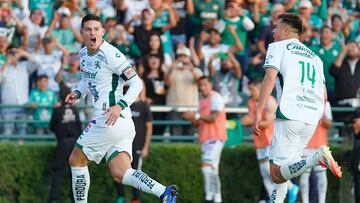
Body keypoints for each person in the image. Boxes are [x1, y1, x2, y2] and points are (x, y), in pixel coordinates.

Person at [65, 14, 178, 203]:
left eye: (96, 29)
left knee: (75, 160)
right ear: (82, 32)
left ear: (103, 31)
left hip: (109, 118)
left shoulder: (112, 54)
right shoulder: (83, 54)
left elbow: (137, 84)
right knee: (120, 172)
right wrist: (77, 93)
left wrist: (119, 106)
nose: (92, 33)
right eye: (88, 29)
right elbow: (87, 79)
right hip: (121, 122)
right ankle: (164, 192)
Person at [253, 13, 342, 203]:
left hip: (289, 113)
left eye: (276, 27)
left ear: (286, 30)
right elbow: (324, 95)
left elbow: (269, 78)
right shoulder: (315, 57)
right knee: (285, 171)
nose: (273, 32)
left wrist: (258, 111)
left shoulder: (277, 47)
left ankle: (316, 158)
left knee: (276, 173)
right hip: (310, 118)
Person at [241, 79, 299, 203]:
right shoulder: (251, 102)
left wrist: (250, 121)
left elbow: (268, 123)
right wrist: (247, 122)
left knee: (270, 170)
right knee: (264, 173)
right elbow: (252, 120)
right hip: (259, 140)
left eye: (252, 89)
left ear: (260, 88)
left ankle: (291, 187)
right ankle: (273, 199)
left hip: (270, 140)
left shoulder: (269, 101)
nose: (250, 92)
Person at [183, 76, 227, 203]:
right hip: (205, 138)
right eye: (200, 85)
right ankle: (217, 199)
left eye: (205, 84)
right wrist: (191, 117)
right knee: (213, 169)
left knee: (206, 166)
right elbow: (198, 123)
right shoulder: (201, 101)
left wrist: (196, 115)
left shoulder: (216, 97)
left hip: (216, 137)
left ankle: (208, 198)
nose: (202, 87)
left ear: (210, 84)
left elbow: (213, 117)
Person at [114, 93, 154, 203]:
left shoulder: (144, 106)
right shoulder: (124, 104)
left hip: (137, 146)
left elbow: (149, 127)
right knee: (118, 172)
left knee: (136, 173)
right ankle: (121, 197)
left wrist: (145, 147)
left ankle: (136, 199)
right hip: (122, 146)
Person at [48, 86, 83, 203]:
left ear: (59, 96)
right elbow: (80, 127)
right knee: (75, 172)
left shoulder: (57, 110)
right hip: (75, 143)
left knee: (58, 172)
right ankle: (75, 199)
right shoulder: (75, 109)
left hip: (62, 143)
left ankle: (55, 199)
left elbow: (51, 127)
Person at [300, 101, 332, 203]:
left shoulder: (325, 104)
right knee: (304, 176)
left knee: (321, 175)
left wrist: (321, 117)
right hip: (305, 146)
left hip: (320, 146)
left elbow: (328, 124)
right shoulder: (302, 100)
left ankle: (322, 201)